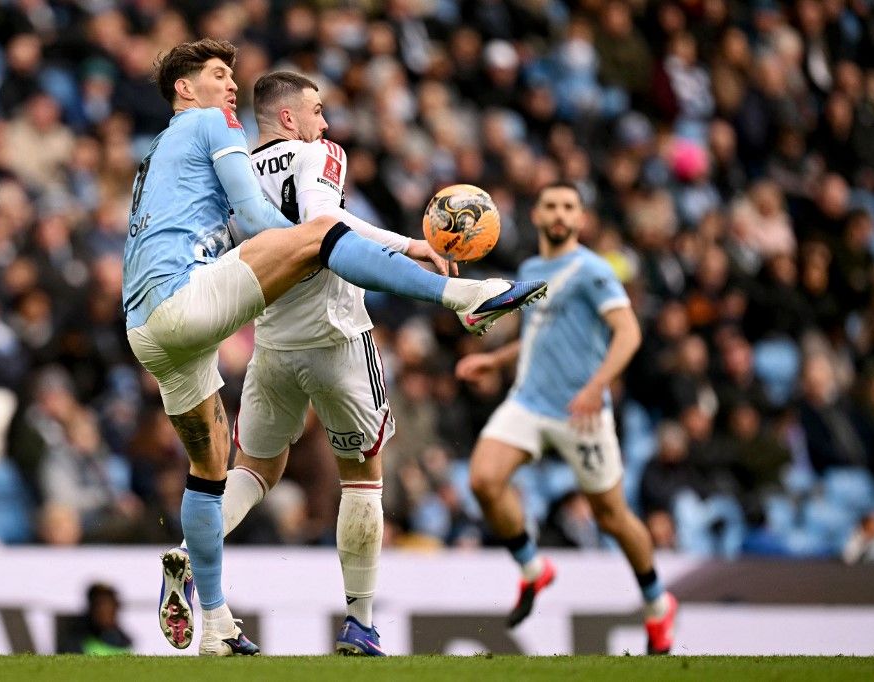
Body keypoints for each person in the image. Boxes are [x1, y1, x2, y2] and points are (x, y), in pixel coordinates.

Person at [124, 39, 546, 657]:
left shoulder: (161, 155)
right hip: (313, 330)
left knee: (223, 470)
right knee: (363, 477)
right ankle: (463, 298)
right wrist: (327, 243)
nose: (231, 86)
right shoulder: (234, 132)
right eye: (219, 75)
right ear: (187, 90)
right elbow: (297, 223)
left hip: (163, 329)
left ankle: (210, 612)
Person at [167, 71, 441, 656]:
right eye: (317, 110)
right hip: (339, 335)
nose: (325, 122)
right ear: (290, 117)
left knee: (256, 471)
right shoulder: (321, 154)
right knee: (363, 478)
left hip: (272, 341)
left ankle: (190, 557)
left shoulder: (232, 172)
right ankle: (360, 624)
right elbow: (326, 226)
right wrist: (409, 245)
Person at [456, 182, 678, 654]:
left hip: (583, 413)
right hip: (530, 401)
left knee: (613, 517)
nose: (560, 214)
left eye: (569, 207)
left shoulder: (593, 271)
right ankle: (535, 569)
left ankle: (658, 604)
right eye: (551, 205)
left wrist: (596, 386)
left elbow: (629, 333)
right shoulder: (533, 269)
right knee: (482, 479)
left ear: (581, 219)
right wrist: (495, 362)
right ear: (536, 215)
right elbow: (541, 331)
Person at [58, 583, 134, 655]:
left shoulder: (125, 642)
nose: (103, 610)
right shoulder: (76, 642)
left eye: (108, 605)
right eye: (99, 605)